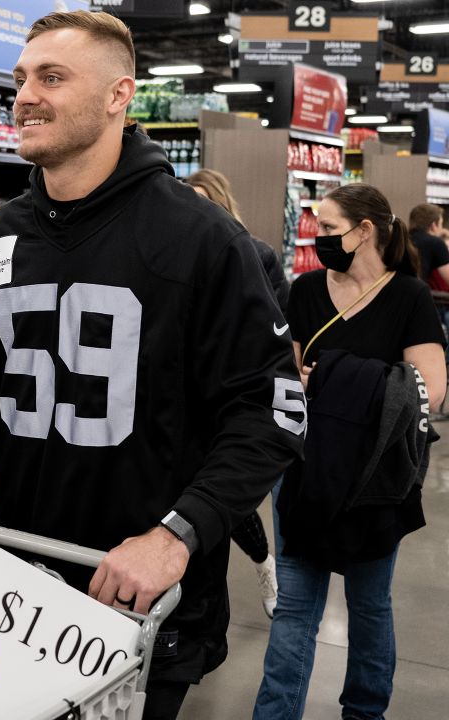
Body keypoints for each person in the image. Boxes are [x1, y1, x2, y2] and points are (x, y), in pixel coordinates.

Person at [0, 11, 305, 719]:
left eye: (53, 77)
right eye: (22, 78)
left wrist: (176, 536)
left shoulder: (204, 240)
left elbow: (271, 413)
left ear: (120, 95)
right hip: (19, 581)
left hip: (144, 605)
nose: (25, 94)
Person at [255, 184, 445, 720]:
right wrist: (301, 379)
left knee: (368, 605)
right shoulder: (308, 289)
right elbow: (285, 371)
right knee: (294, 609)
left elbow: (431, 387)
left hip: (375, 476)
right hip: (304, 468)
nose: (320, 238)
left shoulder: (407, 297)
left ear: (365, 232)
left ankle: (365, 712)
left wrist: (336, 377)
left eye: (330, 228)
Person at [185, 169, 283, 618]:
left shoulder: (254, 255)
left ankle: (263, 563)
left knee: (223, 498)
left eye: (204, 200)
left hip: (223, 401)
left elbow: (274, 332)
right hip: (178, 403)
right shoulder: (172, 254)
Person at [409, 203, 448, 289]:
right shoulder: (435, 242)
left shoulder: (402, 238)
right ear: (433, 226)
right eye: (441, 224)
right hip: (416, 296)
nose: (441, 230)